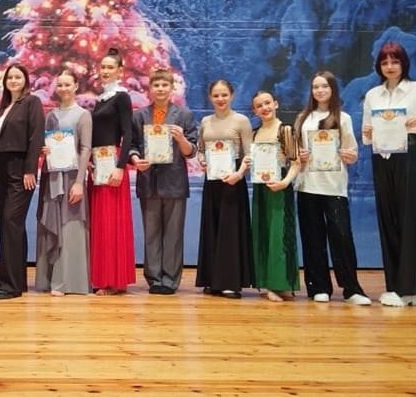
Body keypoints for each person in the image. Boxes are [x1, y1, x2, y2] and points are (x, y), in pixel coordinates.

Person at [361, 42, 416, 307]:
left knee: (410, 221)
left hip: (409, 155)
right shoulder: (373, 94)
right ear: (379, 66)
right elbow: (367, 135)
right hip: (382, 157)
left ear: (403, 64)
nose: (390, 67)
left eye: (394, 62)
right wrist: (368, 133)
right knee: (388, 221)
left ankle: (409, 289)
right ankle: (394, 287)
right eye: (385, 62)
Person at [293, 71, 371, 304]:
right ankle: (319, 286)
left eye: (324, 86)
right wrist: (298, 154)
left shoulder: (343, 118)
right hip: (307, 185)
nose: (320, 91)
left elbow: (352, 152)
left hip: (334, 186)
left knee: (342, 237)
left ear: (333, 89)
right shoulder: (303, 118)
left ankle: (352, 289)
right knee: (312, 238)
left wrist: (350, 156)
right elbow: (293, 153)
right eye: (315, 87)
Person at [128, 67, 198, 296]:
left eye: (164, 85)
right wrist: (136, 159)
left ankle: (170, 279)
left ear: (171, 88)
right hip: (148, 181)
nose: (160, 89)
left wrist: (181, 139)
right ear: (150, 89)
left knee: (173, 234)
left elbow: (191, 151)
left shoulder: (184, 115)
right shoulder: (139, 116)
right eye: (156, 85)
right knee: (151, 233)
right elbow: (131, 146)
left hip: (174, 181)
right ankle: (154, 278)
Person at [34, 70, 91, 296]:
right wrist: (45, 150)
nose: (64, 89)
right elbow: (47, 145)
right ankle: (49, 279)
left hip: (71, 178)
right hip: (52, 178)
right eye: (60, 85)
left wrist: (79, 182)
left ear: (76, 86)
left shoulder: (83, 115)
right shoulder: (51, 115)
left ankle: (68, 282)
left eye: (68, 84)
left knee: (70, 226)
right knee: (51, 223)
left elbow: (85, 148)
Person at [195, 79, 253, 299]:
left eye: (224, 95)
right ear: (210, 97)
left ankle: (230, 282)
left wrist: (239, 174)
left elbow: (249, 153)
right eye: (216, 95)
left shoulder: (241, 121)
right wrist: (202, 161)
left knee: (230, 232)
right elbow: (201, 150)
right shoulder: (205, 121)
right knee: (212, 229)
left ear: (232, 95)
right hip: (212, 181)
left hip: (233, 181)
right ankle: (212, 280)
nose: (220, 99)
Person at [0, 63, 45, 300]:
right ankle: (18, 280)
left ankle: (8, 284)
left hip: (21, 170)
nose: (13, 80)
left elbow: (36, 136)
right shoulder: (4, 107)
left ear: (25, 81)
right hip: (1, 171)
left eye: (18, 77)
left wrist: (30, 169)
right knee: (10, 227)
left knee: (10, 221)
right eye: (10, 77)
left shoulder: (32, 102)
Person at [88, 48, 136, 295]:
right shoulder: (100, 99)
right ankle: (101, 277)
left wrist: (120, 166)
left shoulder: (122, 97)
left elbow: (128, 133)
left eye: (110, 67)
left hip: (113, 164)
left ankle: (115, 281)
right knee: (100, 223)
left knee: (112, 223)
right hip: (98, 164)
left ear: (120, 71)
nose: (105, 71)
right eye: (103, 67)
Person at [249, 90, 300, 302]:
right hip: (260, 189)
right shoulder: (254, 134)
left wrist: (285, 183)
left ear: (276, 104)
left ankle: (283, 283)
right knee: (263, 234)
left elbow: (296, 162)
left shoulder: (285, 130)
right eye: (259, 106)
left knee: (280, 236)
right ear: (255, 111)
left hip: (279, 188)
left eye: (267, 103)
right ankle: (267, 283)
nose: (265, 108)